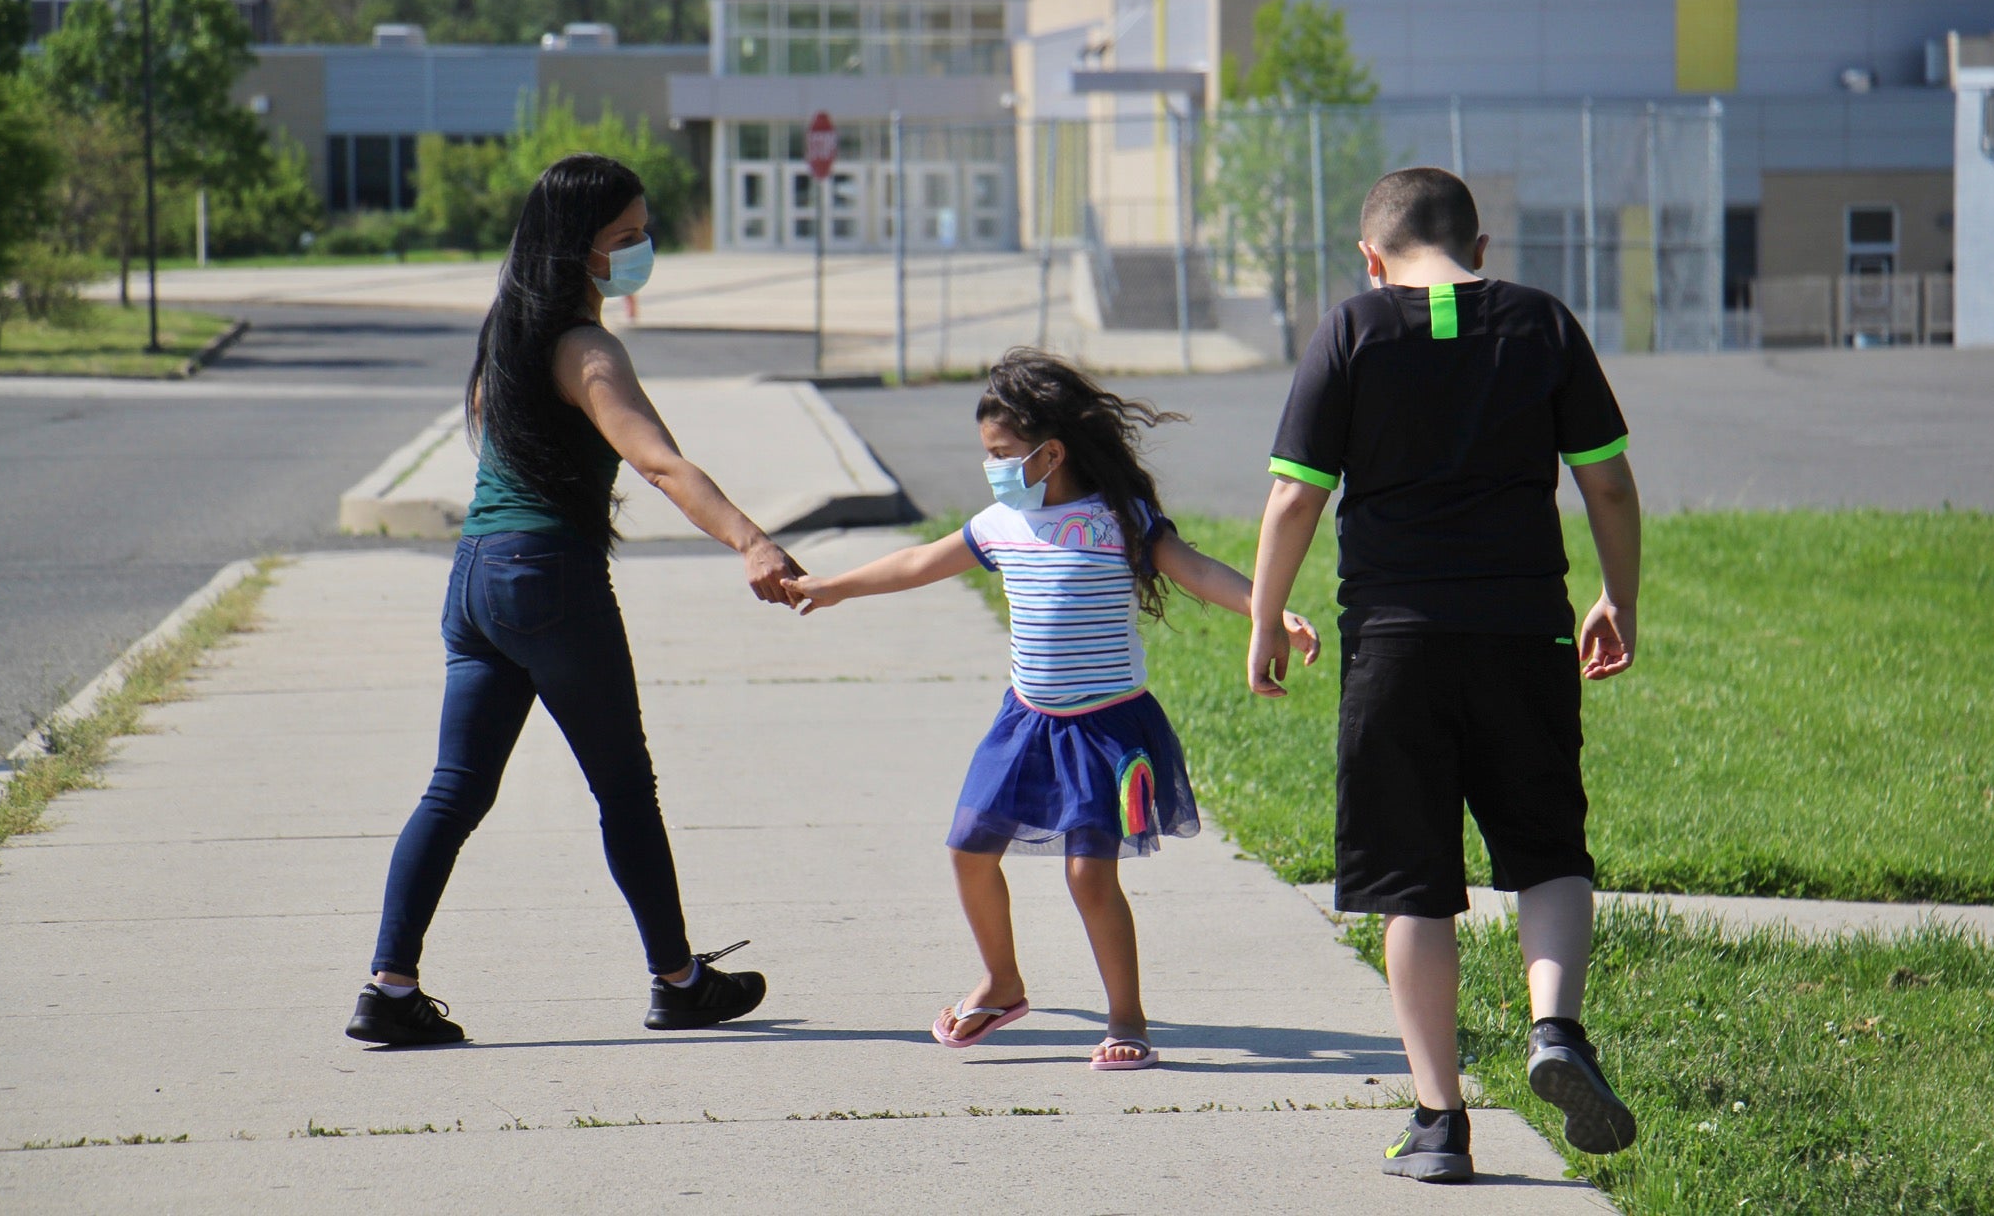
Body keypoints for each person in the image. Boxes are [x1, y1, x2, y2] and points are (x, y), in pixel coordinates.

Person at [346, 153, 805, 1047]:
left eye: (644, 233)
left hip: (475, 580)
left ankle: (388, 989)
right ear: (576, 249)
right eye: (625, 239)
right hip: (548, 580)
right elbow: (660, 463)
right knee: (624, 788)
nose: (641, 251)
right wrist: (751, 541)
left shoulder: (504, 338)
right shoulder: (586, 350)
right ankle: (677, 982)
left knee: (455, 790)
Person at [1246, 168, 1642, 1182]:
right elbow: (1604, 477)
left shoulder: (1353, 329)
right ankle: (1556, 1028)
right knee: (1548, 845)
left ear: (1371, 258)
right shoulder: (1541, 323)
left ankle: (1438, 1122)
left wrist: (1262, 617)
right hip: (1523, 631)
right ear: (1481, 244)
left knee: (1412, 881)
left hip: (1395, 644)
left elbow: (1296, 501)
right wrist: (1617, 597)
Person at [780, 350, 1320, 1071]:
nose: (993, 469)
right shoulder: (1001, 525)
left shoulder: (1121, 521)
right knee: (969, 849)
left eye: (1003, 455)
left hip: (1105, 728)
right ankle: (1002, 983)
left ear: (1051, 453)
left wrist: (1272, 614)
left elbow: (1198, 570)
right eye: (987, 456)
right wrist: (838, 586)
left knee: (1089, 876)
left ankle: (1127, 1017)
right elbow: (918, 562)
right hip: (1026, 721)